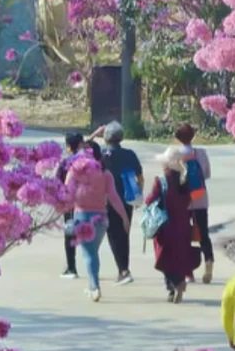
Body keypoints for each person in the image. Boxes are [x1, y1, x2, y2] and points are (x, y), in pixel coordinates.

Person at [63, 142, 129, 302]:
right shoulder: (105, 173)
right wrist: (124, 217)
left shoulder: (75, 172)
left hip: (83, 217)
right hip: (101, 218)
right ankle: (93, 285)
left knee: (89, 254)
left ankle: (94, 287)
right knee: (93, 252)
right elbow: (113, 197)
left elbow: (65, 193)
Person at [143, 146, 199, 302]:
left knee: (164, 258)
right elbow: (188, 200)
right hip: (183, 225)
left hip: (165, 226)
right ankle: (179, 282)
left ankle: (173, 286)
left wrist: (146, 202)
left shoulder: (161, 180)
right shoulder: (185, 179)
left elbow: (151, 199)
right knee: (179, 257)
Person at [91, 120, 142, 285]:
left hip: (108, 200)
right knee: (123, 234)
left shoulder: (103, 155)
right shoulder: (130, 154)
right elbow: (139, 177)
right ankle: (124, 269)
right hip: (127, 200)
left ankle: (123, 270)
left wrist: (93, 135)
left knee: (112, 235)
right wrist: (138, 195)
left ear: (106, 138)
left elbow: (81, 147)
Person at [174, 121, 213, 283]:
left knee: (183, 235)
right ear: (193, 136)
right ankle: (208, 265)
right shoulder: (201, 153)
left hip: (182, 202)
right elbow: (207, 174)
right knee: (203, 234)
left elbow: (172, 178)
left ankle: (188, 271)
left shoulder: (174, 154)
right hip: (200, 199)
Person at [57, 131, 84, 278]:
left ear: (68, 147)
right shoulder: (90, 160)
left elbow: (57, 182)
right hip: (90, 202)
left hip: (70, 203)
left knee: (70, 233)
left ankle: (71, 267)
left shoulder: (66, 163)